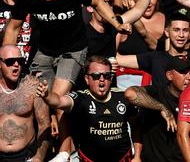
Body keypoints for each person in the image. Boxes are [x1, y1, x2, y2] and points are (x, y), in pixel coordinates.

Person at [3, 0, 130, 101]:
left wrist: (116, 24)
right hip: (45, 52)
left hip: (73, 50)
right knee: (41, 98)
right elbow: (13, 28)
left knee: (56, 97)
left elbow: (98, 2)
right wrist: (5, 58)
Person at [36, 55, 176, 162]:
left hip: (122, 158)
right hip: (89, 159)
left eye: (107, 76)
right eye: (96, 76)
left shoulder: (122, 97)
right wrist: (47, 96)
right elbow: (59, 101)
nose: (102, 79)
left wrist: (137, 155)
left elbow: (135, 125)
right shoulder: (81, 98)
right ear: (87, 79)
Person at [125, 56, 190, 162]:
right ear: (169, 75)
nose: (189, 77)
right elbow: (130, 93)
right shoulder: (157, 93)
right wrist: (161, 107)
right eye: (183, 72)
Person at [0, 45, 50, 162]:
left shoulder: (33, 85)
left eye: (20, 61)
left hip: (26, 155)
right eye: (10, 61)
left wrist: (39, 156)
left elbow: (45, 125)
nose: (16, 65)